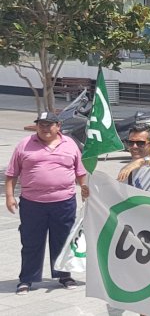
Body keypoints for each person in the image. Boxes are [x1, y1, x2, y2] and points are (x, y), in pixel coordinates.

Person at [5, 112, 88, 294]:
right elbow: (11, 174)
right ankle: (27, 279)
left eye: (49, 124)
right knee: (31, 242)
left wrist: (84, 189)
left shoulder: (70, 144)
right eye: (41, 124)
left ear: (58, 126)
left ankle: (64, 276)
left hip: (64, 202)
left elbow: (80, 171)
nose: (44, 128)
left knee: (63, 240)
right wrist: (9, 197)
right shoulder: (24, 145)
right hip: (32, 203)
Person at [116, 122, 150, 195]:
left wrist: (142, 161)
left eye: (140, 143)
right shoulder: (126, 169)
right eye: (131, 143)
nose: (134, 146)